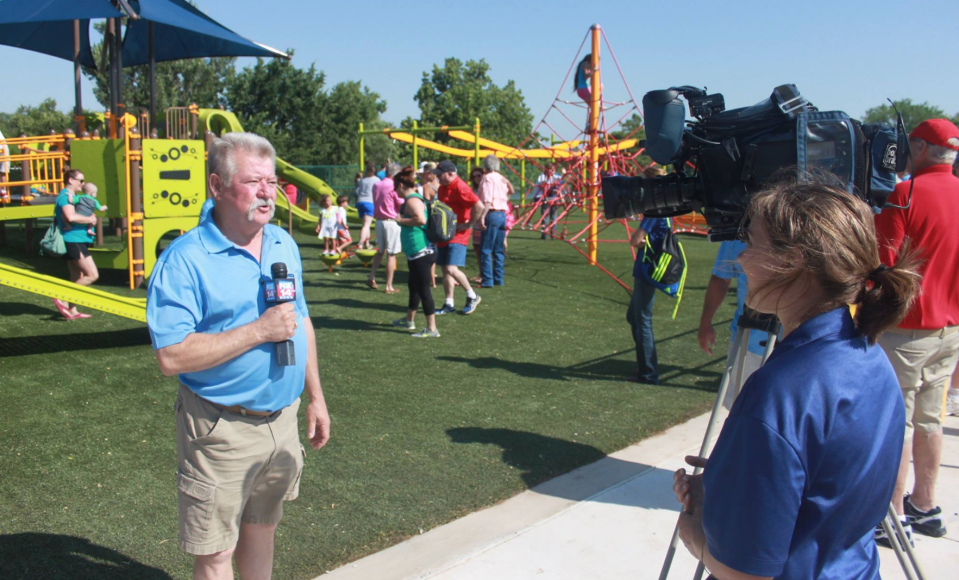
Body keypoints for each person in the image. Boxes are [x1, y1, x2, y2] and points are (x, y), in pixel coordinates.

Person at [672, 180, 918, 580]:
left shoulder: (780, 393)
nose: (743, 259)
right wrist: (730, 479)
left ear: (795, 261)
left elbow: (745, 574)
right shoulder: (870, 356)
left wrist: (693, 533)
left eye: (751, 243)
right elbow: (828, 492)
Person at [146, 132, 331, 580]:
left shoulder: (282, 243)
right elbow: (171, 356)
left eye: (271, 181)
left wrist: (316, 396)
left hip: (281, 422)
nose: (268, 191)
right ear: (217, 186)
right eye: (253, 181)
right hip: (219, 428)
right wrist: (257, 331)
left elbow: (299, 320)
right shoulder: (185, 259)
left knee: (261, 530)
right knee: (214, 552)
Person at [874, 118, 959, 543]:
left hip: (907, 329)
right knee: (931, 420)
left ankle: (892, 516)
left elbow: (882, 262)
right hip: (950, 328)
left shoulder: (906, 193)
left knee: (898, 425)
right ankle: (925, 506)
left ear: (922, 148)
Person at [697, 241, 770, 406]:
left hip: (795, 344)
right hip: (747, 341)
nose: (744, 258)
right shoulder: (735, 230)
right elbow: (720, 279)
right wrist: (705, 322)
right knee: (740, 409)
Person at [392, 166, 439, 338]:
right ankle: (409, 320)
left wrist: (401, 220)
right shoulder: (413, 198)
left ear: (400, 186)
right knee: (414, 287)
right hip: (417, 252)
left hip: (421, 252)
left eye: (394, 186)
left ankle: (432, 329)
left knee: (423, 290)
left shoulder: (412, 200)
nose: (393, 190)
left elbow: (421, 219)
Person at [434, 160, 485, 315]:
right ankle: (449, 303)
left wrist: (469, 224)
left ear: (450, 173)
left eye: (440, 175)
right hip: (445, 232)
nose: (438, 178)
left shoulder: (460, 186)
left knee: (451, 268)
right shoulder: (443, 187)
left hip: (458, 234)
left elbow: (479, 206)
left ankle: (472, 295)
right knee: (444, 269)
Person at [626, 213, 670, 384]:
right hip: (651, 269)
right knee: (633, 318)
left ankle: (648, 373)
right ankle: (645, 365)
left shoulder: (654, 213)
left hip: (647, 271)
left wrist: (642, 242)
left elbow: (635, 240)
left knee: (642, 320)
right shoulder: (666, 214)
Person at [52, 168, 99, 320]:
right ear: (71, 180)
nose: (83, 184)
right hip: (73, 240)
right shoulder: (65, 197)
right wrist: (90, 220)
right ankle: (62, 299)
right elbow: (70, 217)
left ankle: (72, 310)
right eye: (80, 180)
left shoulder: (73, 196)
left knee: (76, 276)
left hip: (77, 239)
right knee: (92, 275)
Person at [477, 155, 513, 288]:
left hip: (491, 213)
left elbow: (487, 199)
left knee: (485, 249)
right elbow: (511, 190)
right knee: (498, 249)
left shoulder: (487, 178)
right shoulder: (501, 178)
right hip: (502, 214)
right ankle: (499, 278)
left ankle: (487, 280)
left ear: (486, 166)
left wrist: (482, 216)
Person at [367, 162, 403, 294]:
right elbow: (399, 202)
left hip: (379, 221)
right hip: (391, 221)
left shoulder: (377, 184)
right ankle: (389, 286)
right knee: (391, 254)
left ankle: (371, 277)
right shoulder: (394, 186)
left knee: (380, 251)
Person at [534, 163, 562, 239]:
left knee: (553, 217)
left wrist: (559, 195)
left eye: (554, 170)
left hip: (553, 198)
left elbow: (559, 187)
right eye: (551, 169)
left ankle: (553, 235)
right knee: (545, 217)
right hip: (545, 198)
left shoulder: (556, 176)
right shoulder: (543, 176)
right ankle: (545, 235)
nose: (553, 171)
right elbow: (542, 186)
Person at [355, 162, 379, 249]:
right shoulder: (376, 179)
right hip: (369, 202)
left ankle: (367, 243)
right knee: (366, 225)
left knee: (365, 224)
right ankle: (360, 243)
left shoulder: (362, 179)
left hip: (360, 202)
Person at [469, 166, 486, 283]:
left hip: (484, 222)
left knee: (485, 249)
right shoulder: (473, 190)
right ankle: (481, 273)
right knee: (477, 248)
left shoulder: (486, 189)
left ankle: (486, 275)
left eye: (479, 175)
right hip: (475, 223)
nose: (476, 178)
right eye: (474, 176)